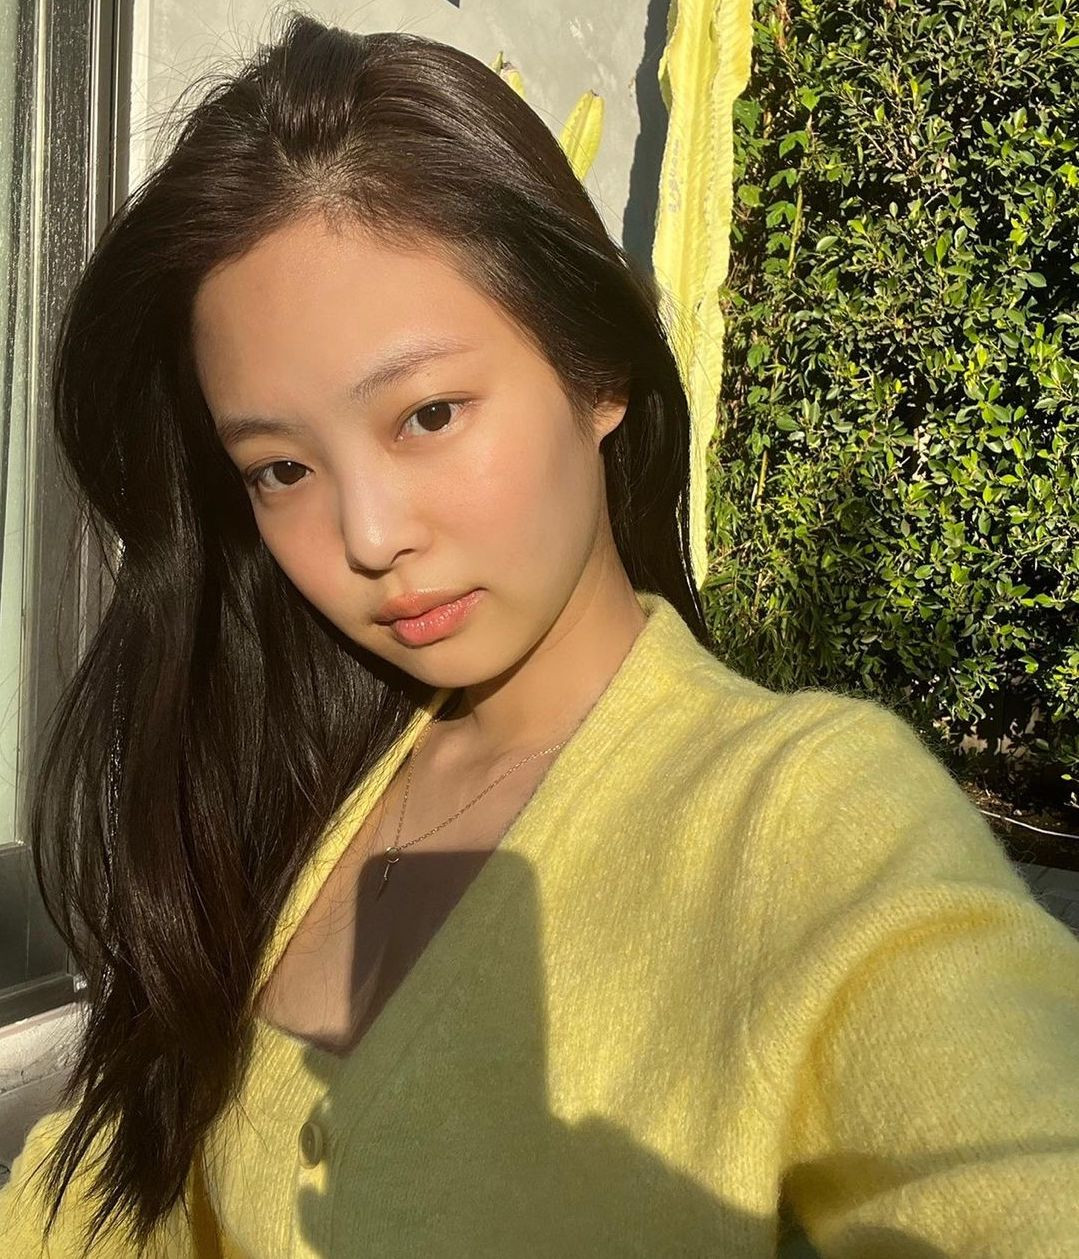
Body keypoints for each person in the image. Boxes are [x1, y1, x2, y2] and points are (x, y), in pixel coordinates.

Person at [2, 11, 1078, 1258]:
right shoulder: (291, 777)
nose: (367, 536)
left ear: (596, 370)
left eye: (428, 414)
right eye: (282, 467)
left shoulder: (807, 818)